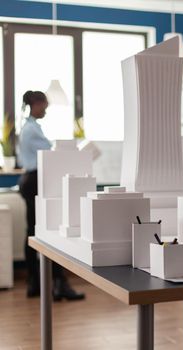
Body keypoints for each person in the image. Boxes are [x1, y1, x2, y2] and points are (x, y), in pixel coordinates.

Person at [18, 90, 85, 301]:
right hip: (36, 181)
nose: (45, 110)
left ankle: (37, 283)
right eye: (44, 106)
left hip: (32, 181)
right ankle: (58, 283)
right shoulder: (31, 130)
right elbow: (48, 155)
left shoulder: (30, 127)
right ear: (36, 104)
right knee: (49, 230)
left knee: (35, 230)